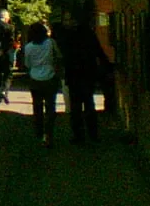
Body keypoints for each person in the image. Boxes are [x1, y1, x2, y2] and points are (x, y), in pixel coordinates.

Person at [53, 9, 111, 143]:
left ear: (76, 20)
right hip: (81, 74)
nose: (66, 22)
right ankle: (89, 134)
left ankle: (84, 135)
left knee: (81, 106)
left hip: (81, 74)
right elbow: (99, 52)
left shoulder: (69, 35)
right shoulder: (84, 34)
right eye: (65, 20)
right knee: (83, 105)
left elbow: (97, 51)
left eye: (68, 19)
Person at [22, 20, 61, 146]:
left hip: (35, 79)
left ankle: (39, 130)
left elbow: (27, 64)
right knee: (50, 107)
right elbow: (58, 56)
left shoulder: (28, 47)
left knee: (37, 107)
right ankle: (49, 134)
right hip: (50, 78)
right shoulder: (50, 43)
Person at [0, 9, 16, 108]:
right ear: (6, 17)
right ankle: (3, 90)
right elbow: (11, 42)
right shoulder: (10, 28)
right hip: (6, 55)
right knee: (8, 74)